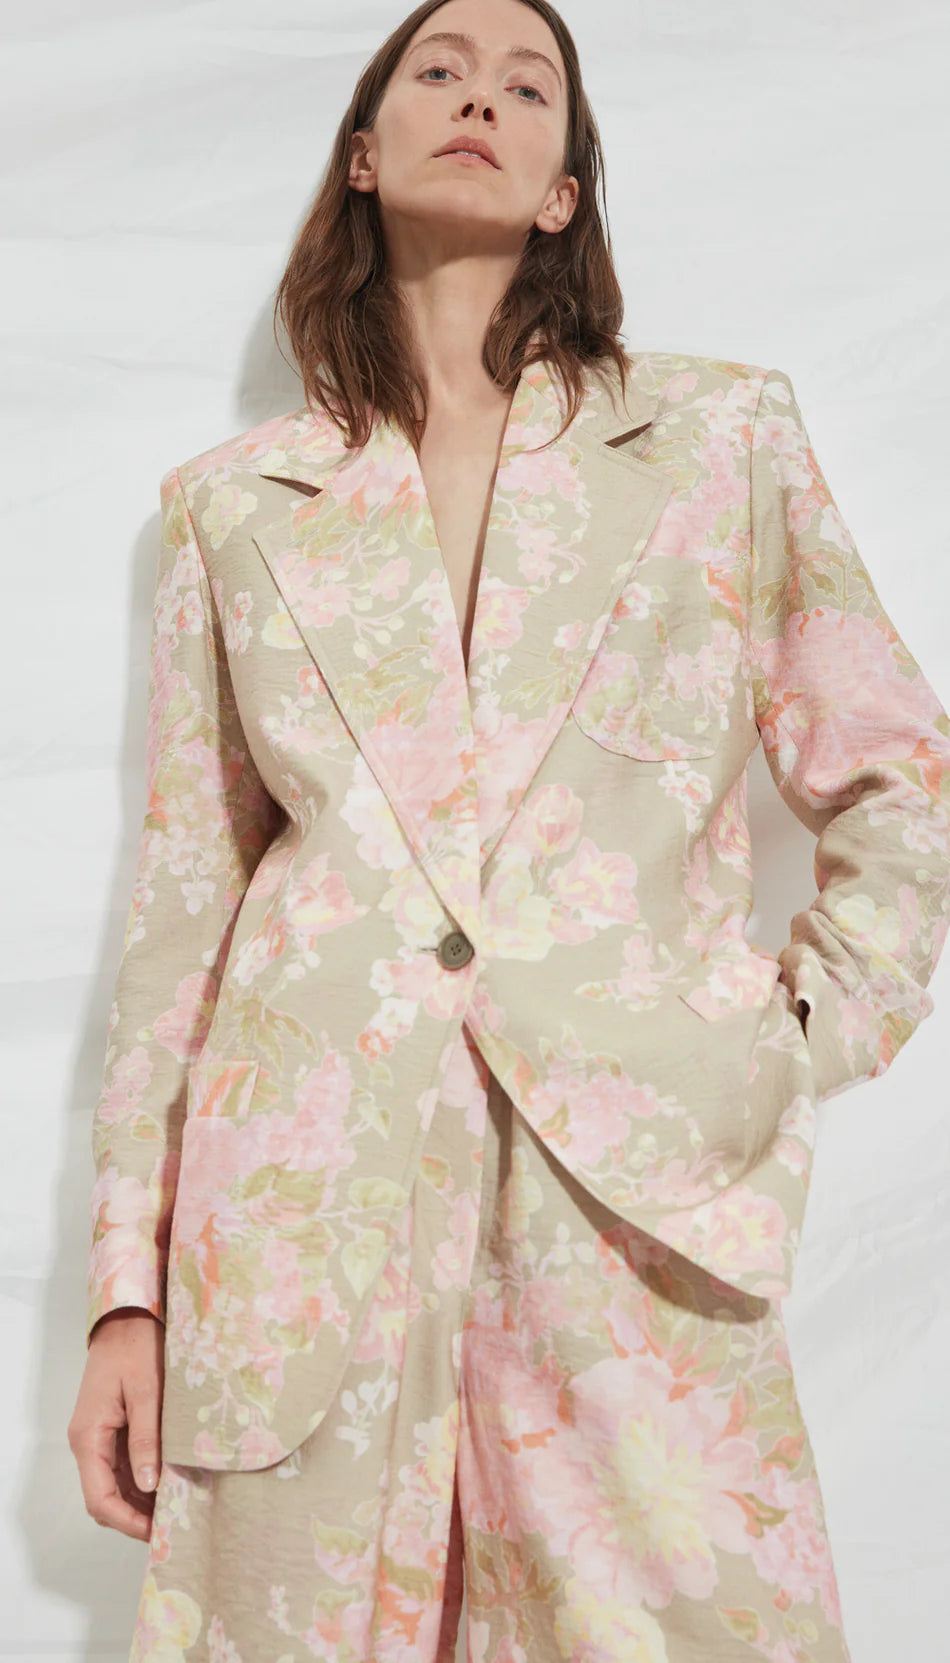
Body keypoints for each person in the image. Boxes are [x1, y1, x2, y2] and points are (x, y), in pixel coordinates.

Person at [67, 1, 950, 1658]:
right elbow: (184, 914)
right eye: (439, 71)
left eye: (528, 84)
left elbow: (899, 765)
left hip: (627, 1180)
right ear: (363, 152)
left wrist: (802, 1029)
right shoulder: (230, 507)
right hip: (303, 1210)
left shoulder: (717, 439)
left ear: (561, 188)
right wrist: (129, 1287)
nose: (480, 94)